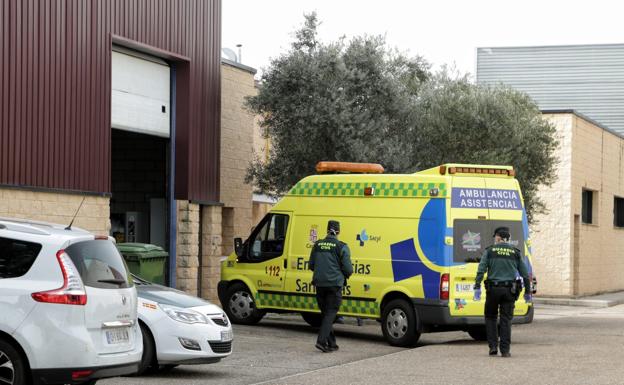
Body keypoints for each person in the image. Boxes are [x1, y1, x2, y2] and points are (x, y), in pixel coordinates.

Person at [473, 226, 531, 358]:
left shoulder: (489, 251)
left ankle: (493, 347)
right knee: (506, 320)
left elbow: (481, 270)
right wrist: (527, 292)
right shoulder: (515, 252)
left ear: (498, 237)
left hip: (493, 290)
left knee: (491, 317)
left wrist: (477, 286)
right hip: (509, 291)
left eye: (495, 237)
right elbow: (525, 275)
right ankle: (505, 350)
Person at [308, 220, 353, 352]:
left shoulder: (317, 245)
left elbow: (311, 265)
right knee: (330, 314)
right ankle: (321, 342)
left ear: (327, 230)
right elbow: (348, 269)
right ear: (338, 231)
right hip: (334, 285)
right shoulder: (341, 246)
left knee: (327, 314)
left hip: (319, 285)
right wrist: (341, 274)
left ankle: (332, 343)